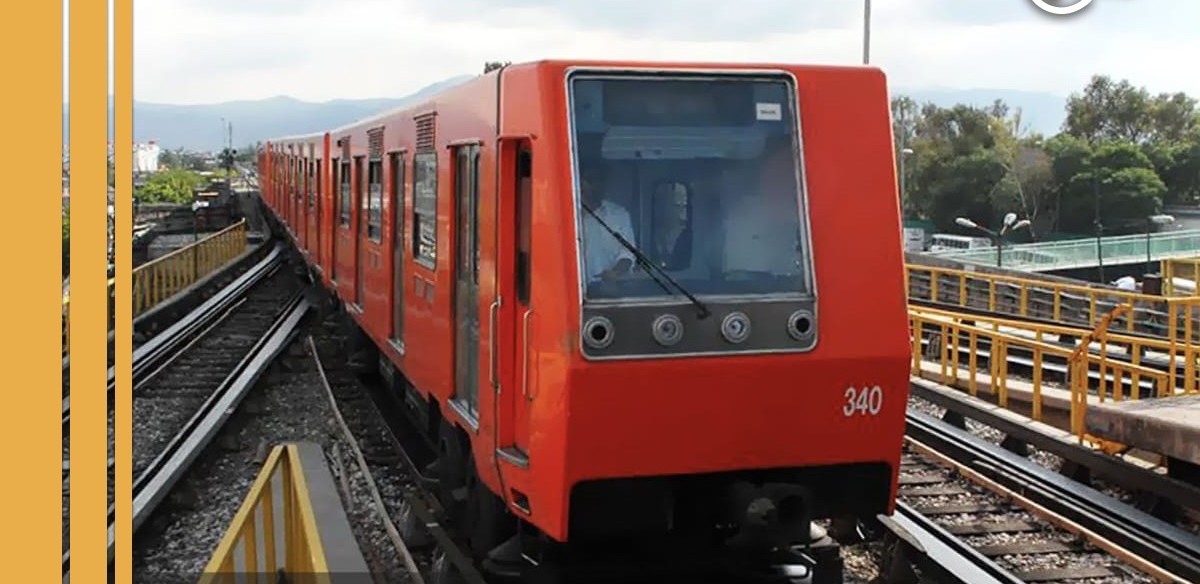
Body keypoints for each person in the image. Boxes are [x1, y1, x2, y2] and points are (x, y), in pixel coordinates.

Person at [579, 167, 635, 282]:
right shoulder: (565, 216)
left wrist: (616, 272)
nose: (596, 185)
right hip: (573, 289)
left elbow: (628, 254)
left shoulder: (619, 214)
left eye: (600, 180)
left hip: (609, 288)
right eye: (590, 180)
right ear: (579, 182)